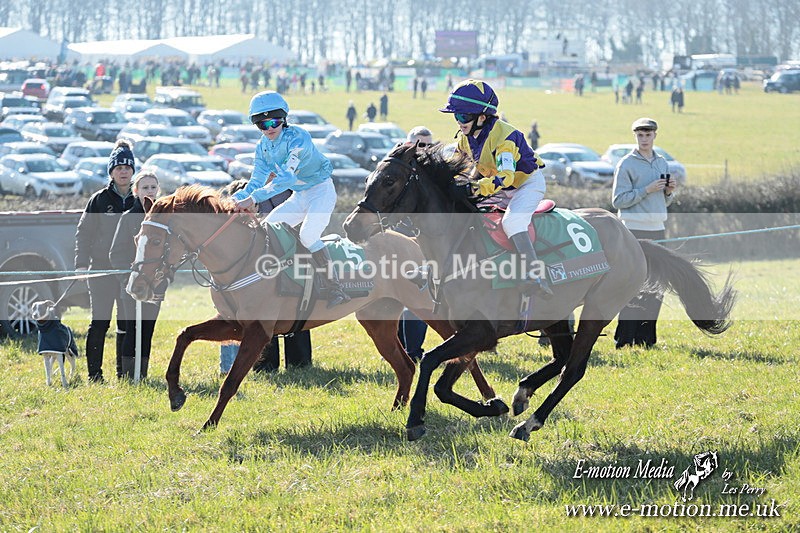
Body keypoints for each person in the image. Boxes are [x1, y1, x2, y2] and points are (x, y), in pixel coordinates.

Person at [231, 90, 349, 308]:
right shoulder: (262, 147)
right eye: (262, 125)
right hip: (301, 195)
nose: (270, 129)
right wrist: (232, 201)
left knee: (308, 234)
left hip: (321, 191)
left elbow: (285, 179)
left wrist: (253, 199)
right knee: (268, 227)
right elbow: (255, 181)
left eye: (274, 122)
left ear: (284, 119)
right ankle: (283, 280)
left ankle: (335, 287)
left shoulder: (298, 137)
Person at [439, 79, 552, 297]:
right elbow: (458, 168)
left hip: (525, 184)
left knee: (513, 221)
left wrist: (473, 189)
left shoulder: (505, 138)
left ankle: (536, 276)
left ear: (482, 117)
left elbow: (506, 178)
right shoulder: (466, 138)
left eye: (463, 116)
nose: (459, 122)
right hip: (498, 185)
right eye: (456, 116)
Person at [219, 181, 314, 374]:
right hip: (258, 272)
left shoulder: (291, 189)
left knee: (296, 308)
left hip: (293, 257)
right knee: (262, 317)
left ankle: (300, 363)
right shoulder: (245, 201)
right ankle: (265, 365)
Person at [611, 117, 678, 349]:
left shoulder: (662, 163)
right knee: (633, 285)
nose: (644, 139)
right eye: (640, 135)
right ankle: (624, 339)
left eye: (648, 134)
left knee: (656, 286)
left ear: (655, 136)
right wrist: (646, 190)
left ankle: (646, 340)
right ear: (635, 136)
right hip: (633, 231)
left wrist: (669, 192)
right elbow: (618, 200)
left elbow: (665, 202)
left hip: (658, 229)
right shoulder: (626, 164)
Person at [74, 139, 136, 382]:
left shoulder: (139, 200)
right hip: (100, 271)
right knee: (99, 322)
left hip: (127, 272)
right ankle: (94, 375)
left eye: (127, 167)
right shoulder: (99, 200)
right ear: (111, 171)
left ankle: (123, 374)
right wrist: (81, 262)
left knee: (125, 323)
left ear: (133, 171)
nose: (123, 171)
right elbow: (84, 232)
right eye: (118, 167)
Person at [109, 170, 162, 379]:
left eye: (153, 187)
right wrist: (127, 279)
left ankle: (143, 374)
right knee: (132, 330)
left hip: (155, 286)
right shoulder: (128, 218)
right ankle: (128, 376)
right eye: (145, 187)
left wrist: (162, 280)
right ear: (136, 191)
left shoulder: (164, 219)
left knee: (147, 331)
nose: (149, 191)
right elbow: (116, 253)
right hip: (132, 286)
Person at [395, 126, 434, 361]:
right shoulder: (397, 170)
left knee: (419, 296)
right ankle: (399, 349)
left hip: (427, 242)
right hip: (400, 237)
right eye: (420, 145)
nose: (425, 150)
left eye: (429, 145)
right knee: (396, 297)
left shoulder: (436, 173)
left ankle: (413, 352)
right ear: (408, 145)